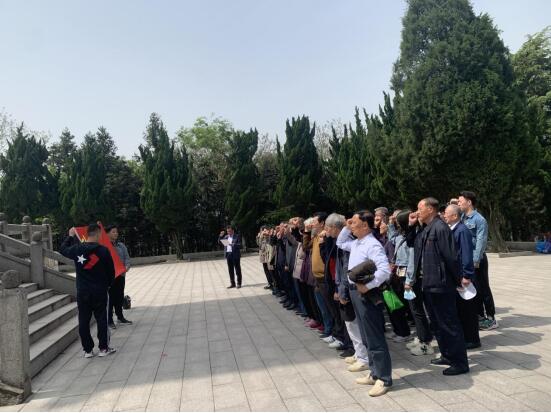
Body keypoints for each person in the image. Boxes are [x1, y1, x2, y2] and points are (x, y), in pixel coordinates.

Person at [337, 210, 392, 397]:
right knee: (366, 337)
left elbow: (384, 270)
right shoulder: (357, 243)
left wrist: (368, 286)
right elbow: (340, 242)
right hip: (355, 293)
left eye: (354, 223)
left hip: (366, 294)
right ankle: (374, 373)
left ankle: (384, 378)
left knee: (375, 337)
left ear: (365, 226)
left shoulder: (372, 244)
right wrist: (347, 227)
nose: (351, 225)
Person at [411, 198, 469, 376]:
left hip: (441, 285)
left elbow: (451, 257)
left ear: (430, 209)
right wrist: (412, 226)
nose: (417, 212)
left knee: (449, 324)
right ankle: (447, 355)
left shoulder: (440, 228)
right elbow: (413, 244)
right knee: (437, 324)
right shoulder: (426, 228)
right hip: (429, 284)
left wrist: (458, 280)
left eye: (420, 208)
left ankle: (460, 362)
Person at [60, 223, 116, 358]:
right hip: (99, 291)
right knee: (101, 319)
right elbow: (111, 271)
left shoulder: (77, 249)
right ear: (98, 234)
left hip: (83, 291)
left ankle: (88, 350)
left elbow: (62, 249)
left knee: (84, 320)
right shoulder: (103, 251)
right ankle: (103, 348)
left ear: (87, 234)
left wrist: (70, 236)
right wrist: (108, 285)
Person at [458, 190, 497, 330]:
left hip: (477, 259)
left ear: (469, 202)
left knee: (483, 288)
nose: (458, 203)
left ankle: (491, 318)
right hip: (466, 259)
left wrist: (475, 262)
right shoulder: (462, 217)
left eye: (460, 201)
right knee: (474, 289)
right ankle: (480, 316)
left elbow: (481, 241)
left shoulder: (479, 220)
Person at [444, 204, 481, 349]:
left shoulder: (462, 230)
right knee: (461, 309)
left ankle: (472, 339)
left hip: (463, 277)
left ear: (454, 216)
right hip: (457, 276)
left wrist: (467, 275)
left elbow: (466, 254)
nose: (444, 215)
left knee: (468, 310)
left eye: (446, 213)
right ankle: (466, 337)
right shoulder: (453, 229)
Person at [105, 225, 132, 328]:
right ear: (107, 233)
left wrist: (126, 267)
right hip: (110, 277)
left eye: (116, 232)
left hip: (121, 275)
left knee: (120, 296)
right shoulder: (104, 247)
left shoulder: (121, 246)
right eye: (113, 232)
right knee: (110, 298)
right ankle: (109, 320)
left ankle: (120, 317)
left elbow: (127, 258)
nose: (116, 233)